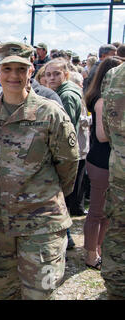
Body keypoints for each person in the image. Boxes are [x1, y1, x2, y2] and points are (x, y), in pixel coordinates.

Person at [0, 42, 79, 300]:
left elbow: (68, 164)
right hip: (0, 225)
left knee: (40, 294)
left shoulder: (50, 114)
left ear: (31, 71)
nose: (14, 75)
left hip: (42, 225)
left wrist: (46, 195)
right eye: (7, 68)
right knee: (5, 293)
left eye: (21, 69)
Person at [84, 57, 122, 271]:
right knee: (96, 211)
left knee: (105, 212)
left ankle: (98, 248)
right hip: (101, 161)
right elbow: (102, 135)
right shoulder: (101, 101)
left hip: (107, 161)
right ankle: (90, 254)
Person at [45, 58, 84, 224]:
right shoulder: (63, 92)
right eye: (48, 74)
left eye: (56, 74)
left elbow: (63, 130)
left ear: (66, 74)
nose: (51, 78)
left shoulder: (66, 95)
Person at [100, 61, 125, 299]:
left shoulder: (113, 74)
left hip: (120, 171)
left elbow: (107, 128)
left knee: (118, 233)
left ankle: (116, 290)